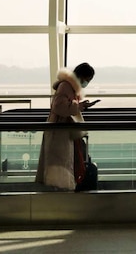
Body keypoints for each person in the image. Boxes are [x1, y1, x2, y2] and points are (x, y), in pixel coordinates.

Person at [35, 62, 95, 191]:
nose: (86, 83)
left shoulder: (69, 87)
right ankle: (60, 192)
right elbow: (58, 106)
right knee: (59, 165)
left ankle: (61, 189)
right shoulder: (66, 86)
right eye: (87, 80)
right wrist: (78, 106)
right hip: (59, 131)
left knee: (61, 165)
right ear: (82, 76)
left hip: (62, 131)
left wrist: (80, 106)